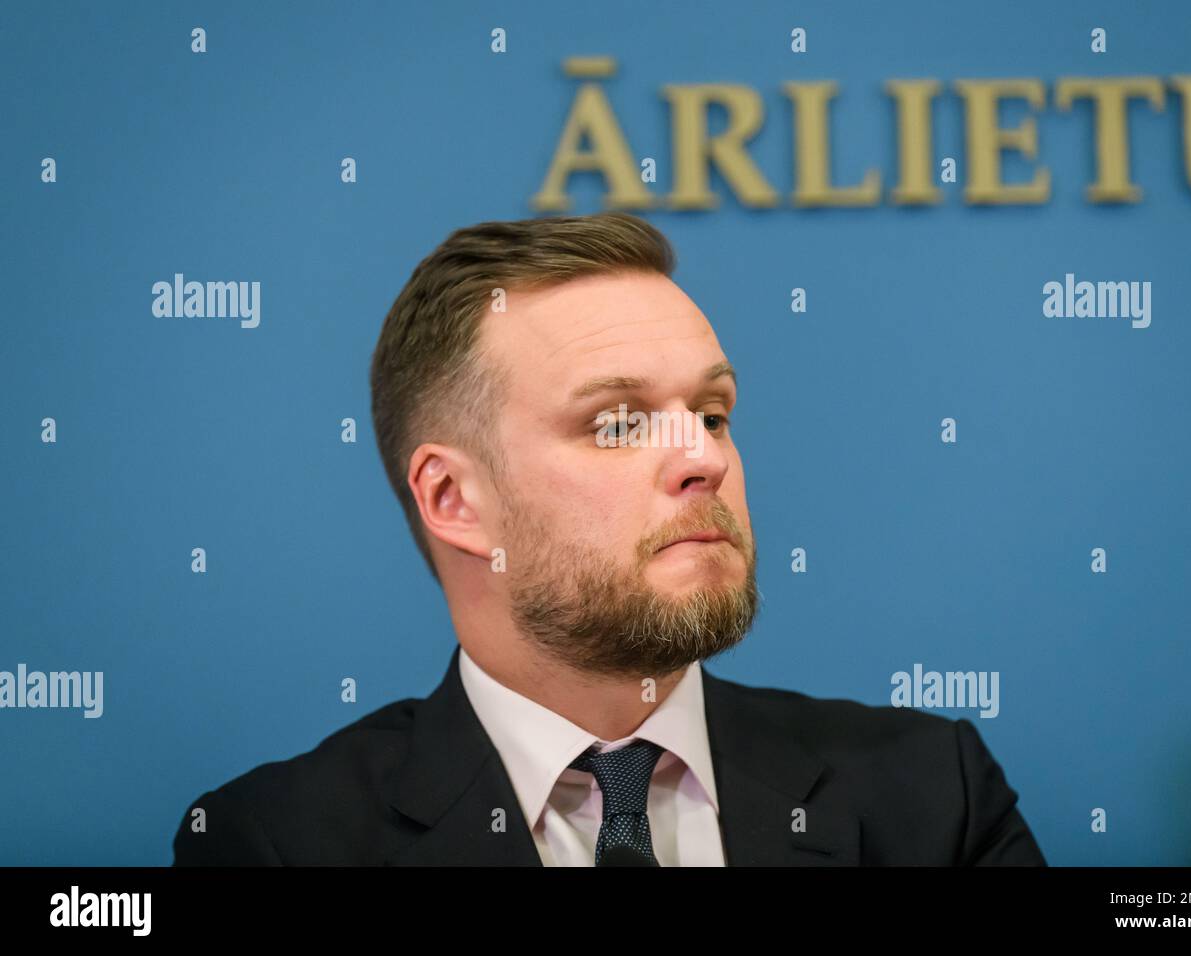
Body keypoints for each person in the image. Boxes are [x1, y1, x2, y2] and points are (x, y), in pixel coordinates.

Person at [171, 212, 1046, 866]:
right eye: (619, 424)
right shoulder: (274, 844)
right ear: (453, 498)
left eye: (711, 412)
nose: (701, 456)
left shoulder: (933, 797)